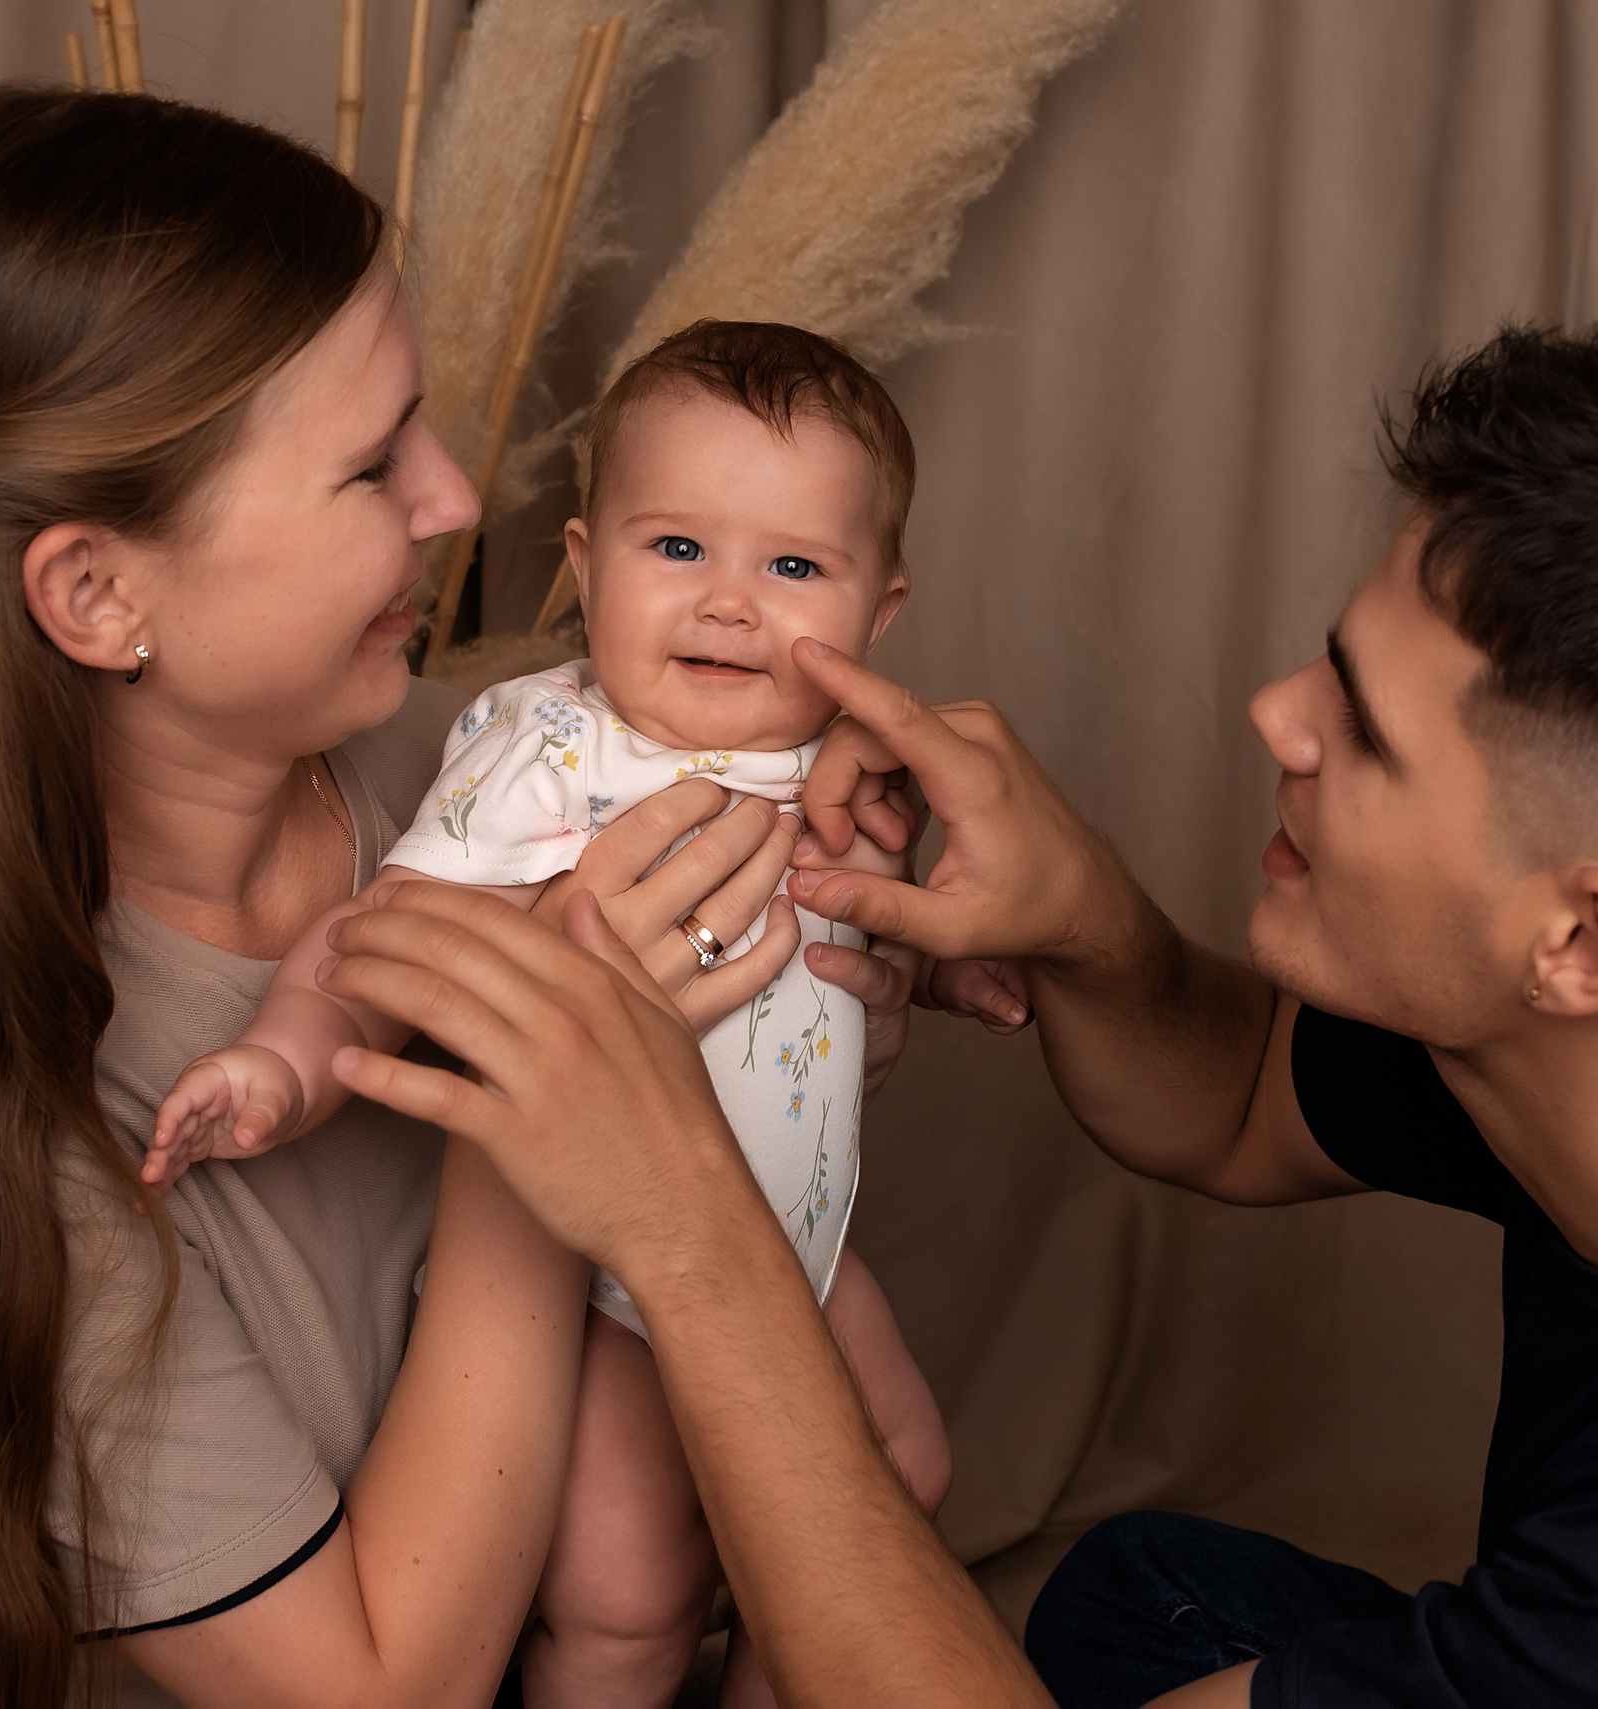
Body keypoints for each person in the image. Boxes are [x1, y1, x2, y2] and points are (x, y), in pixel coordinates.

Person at [308, 327, 1598, 1706]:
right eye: (1327, 659)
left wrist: (684, 1219)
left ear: (1588, 942)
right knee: (1140, 1591)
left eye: (1361, 731)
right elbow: (1243, 1098)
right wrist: (1082, 912)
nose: (1272, 715)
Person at [0, 88, 924, 1709]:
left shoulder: (467, 770)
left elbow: (770, 1089)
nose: (459, 498)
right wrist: (543, 1071)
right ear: (100, 592)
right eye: (376, 461)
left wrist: (842, 953)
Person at [141, 321, 1015, 1707]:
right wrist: (281, 1066)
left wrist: (953, 963)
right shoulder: (546, 750)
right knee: (625, 1594)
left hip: (785, 1241)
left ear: (879, 612)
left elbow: (872, 922)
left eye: (793, 567)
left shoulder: (848, 764)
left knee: (896, 1490)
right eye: (678, 550)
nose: (730, 604)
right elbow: (375, 939)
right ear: (581, 560)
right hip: (595, 1262)